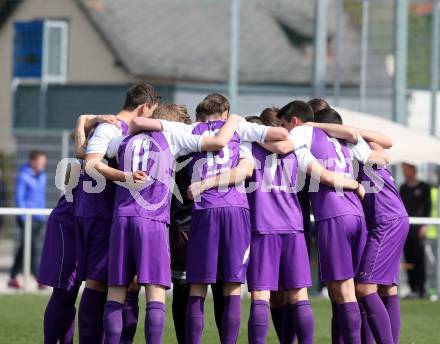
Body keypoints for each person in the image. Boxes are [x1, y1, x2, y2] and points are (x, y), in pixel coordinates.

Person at [313, 107, 409, 344]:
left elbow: (382, 142)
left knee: (365, 289)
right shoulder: (359, 147)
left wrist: (312, 127)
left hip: (385, 221)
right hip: (389, 219)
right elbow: (386, 144)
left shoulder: (349, 147)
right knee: (386, 288)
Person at [76, 83, 160, 343]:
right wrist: (126, 177)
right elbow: (90, 163)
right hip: (102, 213)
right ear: (144, 107)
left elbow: (82, 149)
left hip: (117, 214)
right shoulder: (112, 128)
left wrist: (82, 122)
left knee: (126, 283)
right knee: (98, 283)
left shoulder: (121, 129)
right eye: (152, 112)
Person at [9, 150, 47, 289]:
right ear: (32, 161)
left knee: (26, 247)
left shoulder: (42, 175)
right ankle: (38, 277)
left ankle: (13, 276)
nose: (43, 164)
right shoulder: (23, 175)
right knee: (32, 247)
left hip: (38, 217)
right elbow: (19, 196)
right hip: (27, 217)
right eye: (40, 162)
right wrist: (24, 217)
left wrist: (41, 216)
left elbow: (40, 197)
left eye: (44, 162)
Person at [400, 163, 432, 298]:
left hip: (419, 230)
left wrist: (425, 225)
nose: (404, 172)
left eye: (406, 169)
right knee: (408, 260)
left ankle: (421, 289)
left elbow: (428, 207)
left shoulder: (424, 187)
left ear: (413, 169)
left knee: (420, 259)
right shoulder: (403, 188)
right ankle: (413, 288)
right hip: (406, 229)